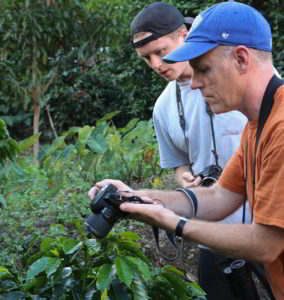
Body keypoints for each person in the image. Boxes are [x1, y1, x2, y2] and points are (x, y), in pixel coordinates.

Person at [89, 2, 284, 299]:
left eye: (203, 68)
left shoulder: (280, 129)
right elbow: (220, 197)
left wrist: (173, 223)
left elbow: (267, 243)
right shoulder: (257, 125)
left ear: (242, 59)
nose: (194, 82)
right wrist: (136, 198)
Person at [130, 2, 252, 299]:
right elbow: (179, 164)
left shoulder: (236, 79)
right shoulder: (163, 107)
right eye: (146, 58)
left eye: (161, 51)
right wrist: (184, 179)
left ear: (185, 35)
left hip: (268, 215)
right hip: (216, 224)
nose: (156, 64)